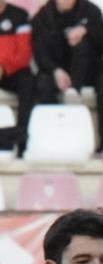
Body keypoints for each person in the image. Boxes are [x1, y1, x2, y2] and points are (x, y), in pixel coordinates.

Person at [30, 0, 103, 154]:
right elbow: (40, 54)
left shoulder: (91, 11)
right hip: (58, 72)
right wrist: (56, 71)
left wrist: (87, 30)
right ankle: (53, 140)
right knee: (42, 84)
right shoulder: (43, 17)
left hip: (89, 70)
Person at [0, 3, 36, 155]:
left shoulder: (19, 15)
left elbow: (24, 54)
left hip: (12, 72)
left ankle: (22, 142)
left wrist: (4, 68)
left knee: (28, 82)